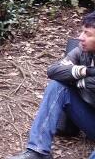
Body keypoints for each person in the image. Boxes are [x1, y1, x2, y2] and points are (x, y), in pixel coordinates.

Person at [8, 11, 95, 159]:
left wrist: (78, 79)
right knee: (58, 87)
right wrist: (85, 71)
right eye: (82, 32)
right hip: (90, 120)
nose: (80, 37)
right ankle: (38, 151)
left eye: (87, 34)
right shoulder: (82, 51)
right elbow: (53, 70)